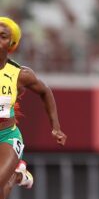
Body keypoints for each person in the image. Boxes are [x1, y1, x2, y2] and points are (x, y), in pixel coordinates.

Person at [0, 17, 67, 199]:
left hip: (6, 137)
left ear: (12, 44)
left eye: (2, 36)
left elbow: (45, 92)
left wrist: (56, 128)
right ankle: (19, 174)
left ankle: (15, 175)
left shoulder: (20, 74)